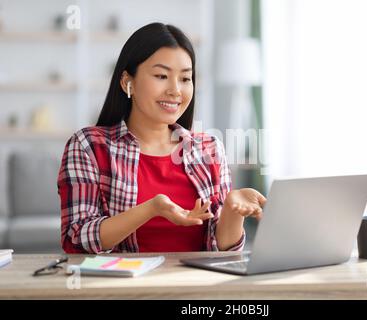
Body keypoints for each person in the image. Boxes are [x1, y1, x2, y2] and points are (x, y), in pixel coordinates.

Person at [57, 22, 266, 254]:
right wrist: (151, 208)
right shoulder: (88, 146)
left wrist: (232, 210)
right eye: (161, 75)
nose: (175, 90)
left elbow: (224, 250)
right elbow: (76, 240)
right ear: (128, 82)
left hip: (195, 285)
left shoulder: (209, 148)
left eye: (185, 79)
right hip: (122, 287)